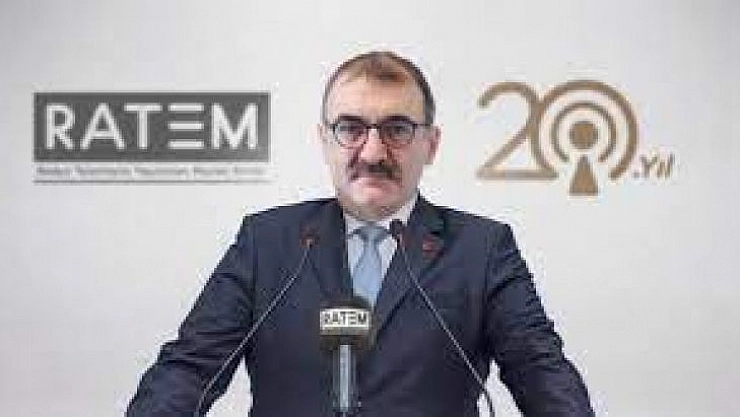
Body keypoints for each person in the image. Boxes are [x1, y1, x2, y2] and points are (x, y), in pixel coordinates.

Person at [127, 51, 594, 416]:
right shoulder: (266, 241)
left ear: (431, 144)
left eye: (397, 129)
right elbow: (189, 370)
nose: (372, 152)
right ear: (324, 140)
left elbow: (541, 372)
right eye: (351, 128)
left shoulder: (482, 248)